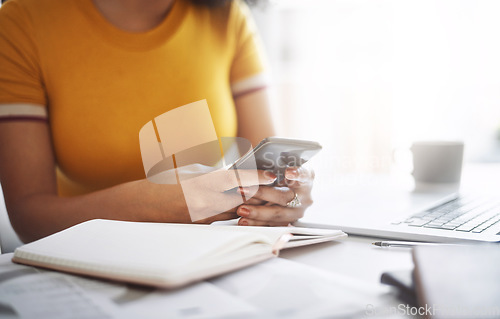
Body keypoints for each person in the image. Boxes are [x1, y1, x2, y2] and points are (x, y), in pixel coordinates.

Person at [0, 0, 315, 243]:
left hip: (206, 255)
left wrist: (285, 196)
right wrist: (158, 204)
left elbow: (267, 169)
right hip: (88, 258)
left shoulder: (228, 17)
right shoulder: (23, 20)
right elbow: (30, 219)